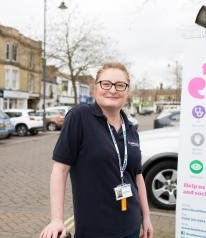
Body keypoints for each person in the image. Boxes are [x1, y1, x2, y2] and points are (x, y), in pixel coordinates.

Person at [39, 63, 153, 238]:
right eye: (105, 83)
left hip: (132, 226)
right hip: (95, 230)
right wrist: (56, 219)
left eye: (120, 85)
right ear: (96, 88)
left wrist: (146, 218)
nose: (112, 90)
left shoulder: (130, 128)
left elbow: (137, 176)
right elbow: (60, 170)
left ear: (127, 91)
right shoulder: (80, 117)